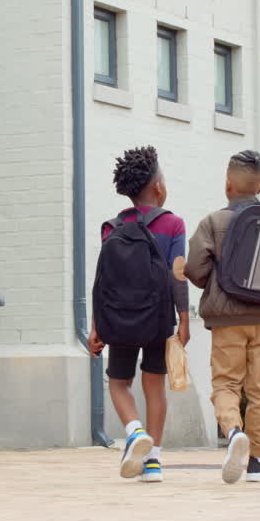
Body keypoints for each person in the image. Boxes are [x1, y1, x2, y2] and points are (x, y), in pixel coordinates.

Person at [185, 150, 260, 484]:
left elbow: (195, 269)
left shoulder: (212, 222)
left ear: (227, 184)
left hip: (227, 321)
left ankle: (234, 431)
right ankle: (255, 461)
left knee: (226, 383)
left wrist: (215, 282)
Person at [88, 146, 190, 483]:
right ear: (159, 187)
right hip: (158, 320)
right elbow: (178, 273)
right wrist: (184, 318)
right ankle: (154, 461)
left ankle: (133, 431)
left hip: (119, 318)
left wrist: (96, 326)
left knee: (119, 384)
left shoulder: (111, 227)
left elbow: (103, 280)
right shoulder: (173, 224)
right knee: (154, 386)